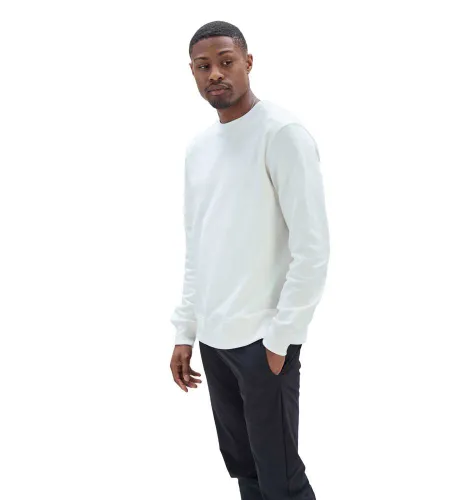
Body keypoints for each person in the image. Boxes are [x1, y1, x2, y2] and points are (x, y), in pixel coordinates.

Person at [169, 20, 330, 500]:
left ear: (248, 62)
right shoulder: (198, 150)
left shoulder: (282, 134)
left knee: (282, 480)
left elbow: (312, 248)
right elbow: (197, 247)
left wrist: (281, 338)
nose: (215, 74)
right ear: (193, 73)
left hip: (264, 342)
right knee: (247, 471)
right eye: (203, 66)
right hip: (214, 342)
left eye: (226, 62)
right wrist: (185, 331)